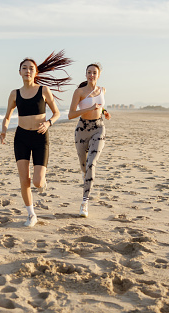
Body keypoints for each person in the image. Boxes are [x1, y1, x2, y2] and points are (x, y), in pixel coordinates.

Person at [0, 50, 73, 227]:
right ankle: (31, 214)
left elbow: (57, 113)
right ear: (19, 72)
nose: (27, 71)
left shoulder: (43, 90)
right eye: (24, 68)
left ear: (36, 72)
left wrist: (48, 123)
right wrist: (3, 130)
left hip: (41, 137)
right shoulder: (14, 93)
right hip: (21, 137)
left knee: (38, 182)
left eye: (31, 68)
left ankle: (42, 181)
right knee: (24, 179)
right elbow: (8, 115)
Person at [68, 63, 111, 217]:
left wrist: (104, 111)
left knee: (91, 163)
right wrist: (89, 109)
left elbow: (100, 106)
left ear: (98, 75)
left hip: (99, 128)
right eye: (89, 72)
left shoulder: (102, 90)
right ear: (85, 74)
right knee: (84, 166)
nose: (91, 75)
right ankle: (86, 175)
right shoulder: (79, 92)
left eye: (94, 72)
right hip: (82, 130)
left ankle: (84, 203)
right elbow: (71, 114)